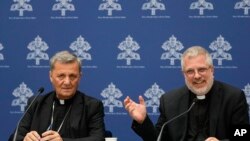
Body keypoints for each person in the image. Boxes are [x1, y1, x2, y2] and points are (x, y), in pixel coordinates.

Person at [124, 46, 249, 141]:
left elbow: (243, 134)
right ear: (183, 74)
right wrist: (143, 121)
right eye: (190, 71)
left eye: (201, 69)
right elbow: (159, 139)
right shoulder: (169, 101)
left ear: (212, 70)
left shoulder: (233, 97)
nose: (196, 76)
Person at [9, 51, 106, 141]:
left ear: (79, 77)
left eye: (72, 76)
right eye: (61, 76)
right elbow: (14, 136)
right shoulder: (35, 103)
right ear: (51, 76)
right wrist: (25, 139)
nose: (67, 82)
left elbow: (98, 138)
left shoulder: (92, 106)